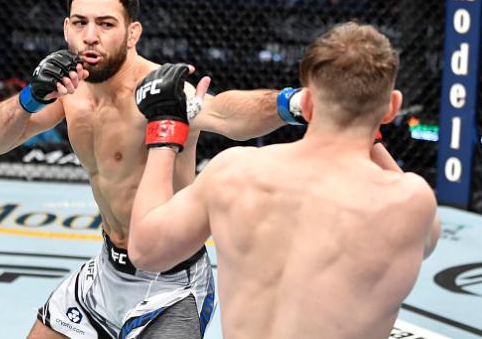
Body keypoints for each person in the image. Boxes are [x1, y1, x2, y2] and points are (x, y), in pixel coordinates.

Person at [0, 0, 304, 339]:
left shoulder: (159, 89)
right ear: (66, 29)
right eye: (80, 23)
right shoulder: (69, 90)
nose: (90, 36)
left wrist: (294, 102)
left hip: (170, 286)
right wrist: (28, 98)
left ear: (133, 33)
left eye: (106, 24)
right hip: (104, 274)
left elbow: (226, 112)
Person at [128, 22, 441, 339]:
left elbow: (146, 249)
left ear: (305, 104)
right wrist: (370, 133)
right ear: (393, 108)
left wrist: (165, 128)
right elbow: (427, 240)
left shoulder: (234, 171)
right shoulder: (411, 201)